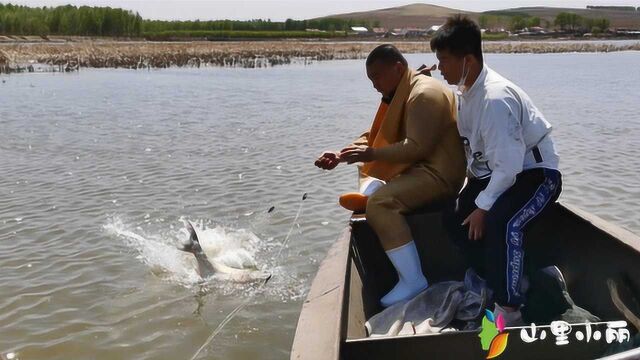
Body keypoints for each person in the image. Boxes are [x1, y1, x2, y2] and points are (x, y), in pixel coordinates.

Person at [430, 15, 563, 324]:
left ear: (468, 59)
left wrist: (483, 208)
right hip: (501, 173)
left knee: (503, 223)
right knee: (454, 217)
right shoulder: (466, 91)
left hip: (536, 174)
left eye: (444, 61)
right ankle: (498, 277)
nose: (440, 68)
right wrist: (472, 202)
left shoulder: (495, 98)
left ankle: (509, 307)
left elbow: (510, 167)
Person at [314, 44, 466, 307]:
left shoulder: (423, 93)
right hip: (421, 166)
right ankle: (372, 193)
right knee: (366, 162)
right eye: (371, 79)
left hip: (440, 175)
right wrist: (343, 154)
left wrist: (370, 153)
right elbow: (378, 134)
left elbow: (416, 148)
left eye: (377, 77)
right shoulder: (403, 90)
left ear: (397, 68)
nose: (374, 85)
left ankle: (413, 279)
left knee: (381, 204)